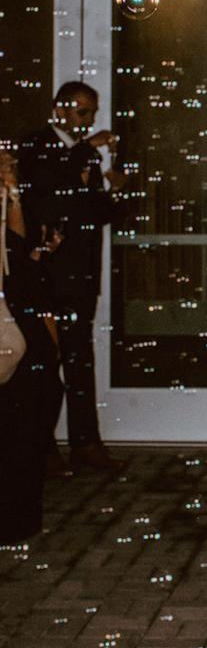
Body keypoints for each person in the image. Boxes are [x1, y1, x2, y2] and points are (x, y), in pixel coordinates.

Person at [18, 81, 127, 474]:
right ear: (59, 109)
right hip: (46, 273)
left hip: (81, 273)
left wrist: (115, 192)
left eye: (93, 113)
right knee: (45, 363)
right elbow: (44, 193)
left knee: (81, 360)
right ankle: (42, 447)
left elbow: (93, 213)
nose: (89, 120)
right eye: (83, 112)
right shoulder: (36, 145)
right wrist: (86, 148)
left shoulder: (84, 157)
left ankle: (86, 443)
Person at [0, 147, 61, 542]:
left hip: (21, 308)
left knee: (37, 402)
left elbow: (21, 254)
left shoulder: (19, 197)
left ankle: (19, 518)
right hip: (10, 316)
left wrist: (14, 195)